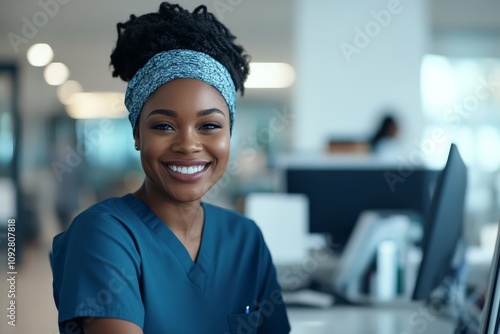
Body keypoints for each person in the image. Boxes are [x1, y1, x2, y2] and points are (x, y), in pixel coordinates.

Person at [50, 3, 291, 333]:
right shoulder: (104, 235)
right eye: (163, 126)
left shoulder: (245, 240)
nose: (188, 145)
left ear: (229, 135)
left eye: (209, 126)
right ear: (137, 134)